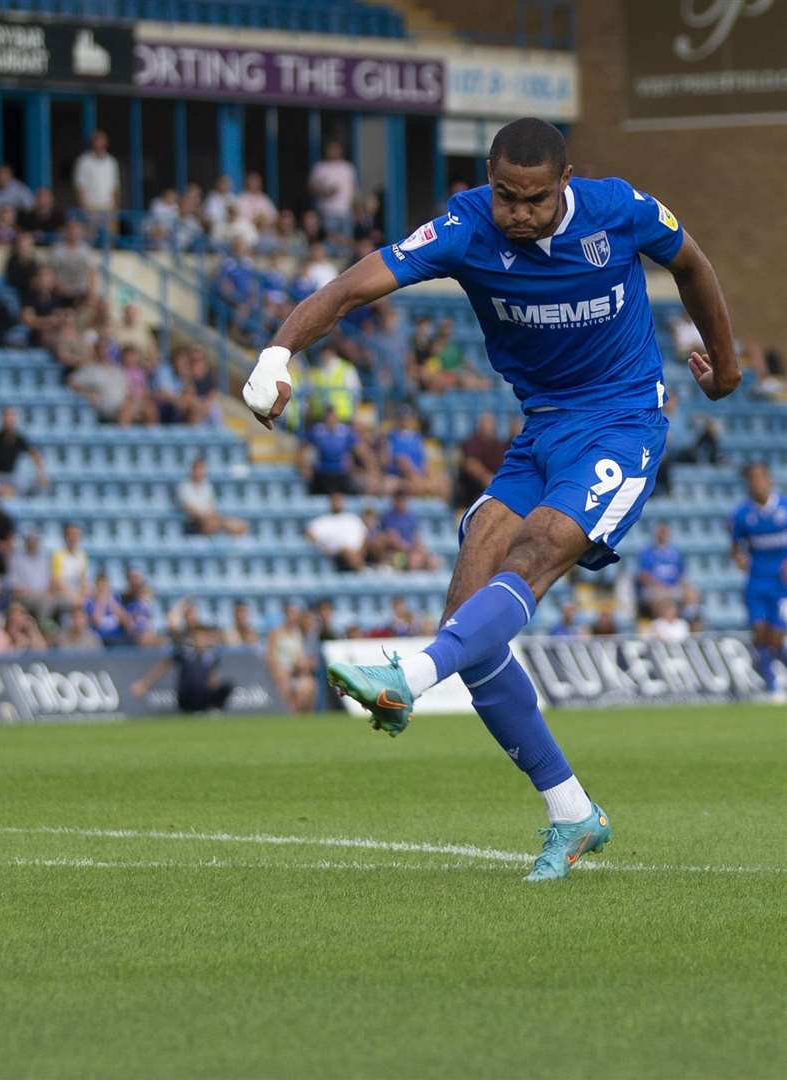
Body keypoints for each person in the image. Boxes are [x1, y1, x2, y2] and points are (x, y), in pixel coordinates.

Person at [248, 117, 739, 880]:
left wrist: (728, 367)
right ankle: (573, 813)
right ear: (488, 178)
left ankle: (406, 679)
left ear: (565, 183)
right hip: (540, 432)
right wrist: (278, 352)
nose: (520, 212)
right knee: (469, 624)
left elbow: (695, 265)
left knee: (538, 548)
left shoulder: (620, 209)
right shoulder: (465, 227)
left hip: (621, 423)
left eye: (536, 199)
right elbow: (350, 288)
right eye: (506, 195)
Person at [731, 463, 787, 702]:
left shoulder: (784, 506)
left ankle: (773, 672)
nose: (756, 484)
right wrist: (740, 559)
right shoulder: (742, 514)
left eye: (760, 479)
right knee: (759, 630)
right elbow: (735, 546)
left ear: (769, 480)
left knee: (776, 635)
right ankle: (771, 684)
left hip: (781, 582)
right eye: (751, 480)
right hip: (756, 581)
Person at [130, 616, 233, 713]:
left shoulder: (211, 655)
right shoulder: (184, 652)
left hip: (203, 694)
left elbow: (212, 678)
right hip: (186, 696)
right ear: (193, 636)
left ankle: (212, 709)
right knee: (193, 684)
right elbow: (163, 666)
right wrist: (144, 684)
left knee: (227, 686)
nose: (202, 639)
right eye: (199, 635)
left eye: (205, 636)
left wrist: (213, 686)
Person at [635, 521, 699, 621]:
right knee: (661, 598)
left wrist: (685, 587)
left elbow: (681, 575)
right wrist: (661, 586)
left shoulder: (675, 553)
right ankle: (662, 626)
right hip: (655, 588)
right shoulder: (647, 552)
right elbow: (644, 576)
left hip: (673, 587)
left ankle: (687, 623)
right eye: (661, 532)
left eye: (665, 532)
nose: (663, 535)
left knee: (692, 594)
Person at [174, 457, 246, 536]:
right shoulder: (184, 486)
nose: (200, 472)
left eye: (202, 469)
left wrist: (211, 516)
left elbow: (211, 506)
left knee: (238, 526)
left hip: (208, 519)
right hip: (193, 523)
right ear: (192, 470)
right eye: (198, 468)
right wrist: (205, 516)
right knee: (217, 524)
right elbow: (188, 508)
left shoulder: (207, 486)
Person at [72, 130, 120, 235]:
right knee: (90, 237)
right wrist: (84, 207)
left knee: (110, 237)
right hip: (90, 206)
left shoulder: (111, 162)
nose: (99, 144)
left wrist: (114, 208)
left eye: (102, 141)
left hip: (108, 207)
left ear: (106, 143)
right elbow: (80, 186)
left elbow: (114, 187)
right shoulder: (84, 161)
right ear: (93, 143)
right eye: (97, 141)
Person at [308, 141, 357, 240]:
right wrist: (325, 192)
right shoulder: (320, 167)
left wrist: (355, 210)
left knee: (346, 243)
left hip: (345, 212)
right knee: (330, 242)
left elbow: (353, 189)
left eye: (336, 149)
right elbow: (311, 188)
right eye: (331, 149)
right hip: (327, 212)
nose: (333, 151)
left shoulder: (347, 168)